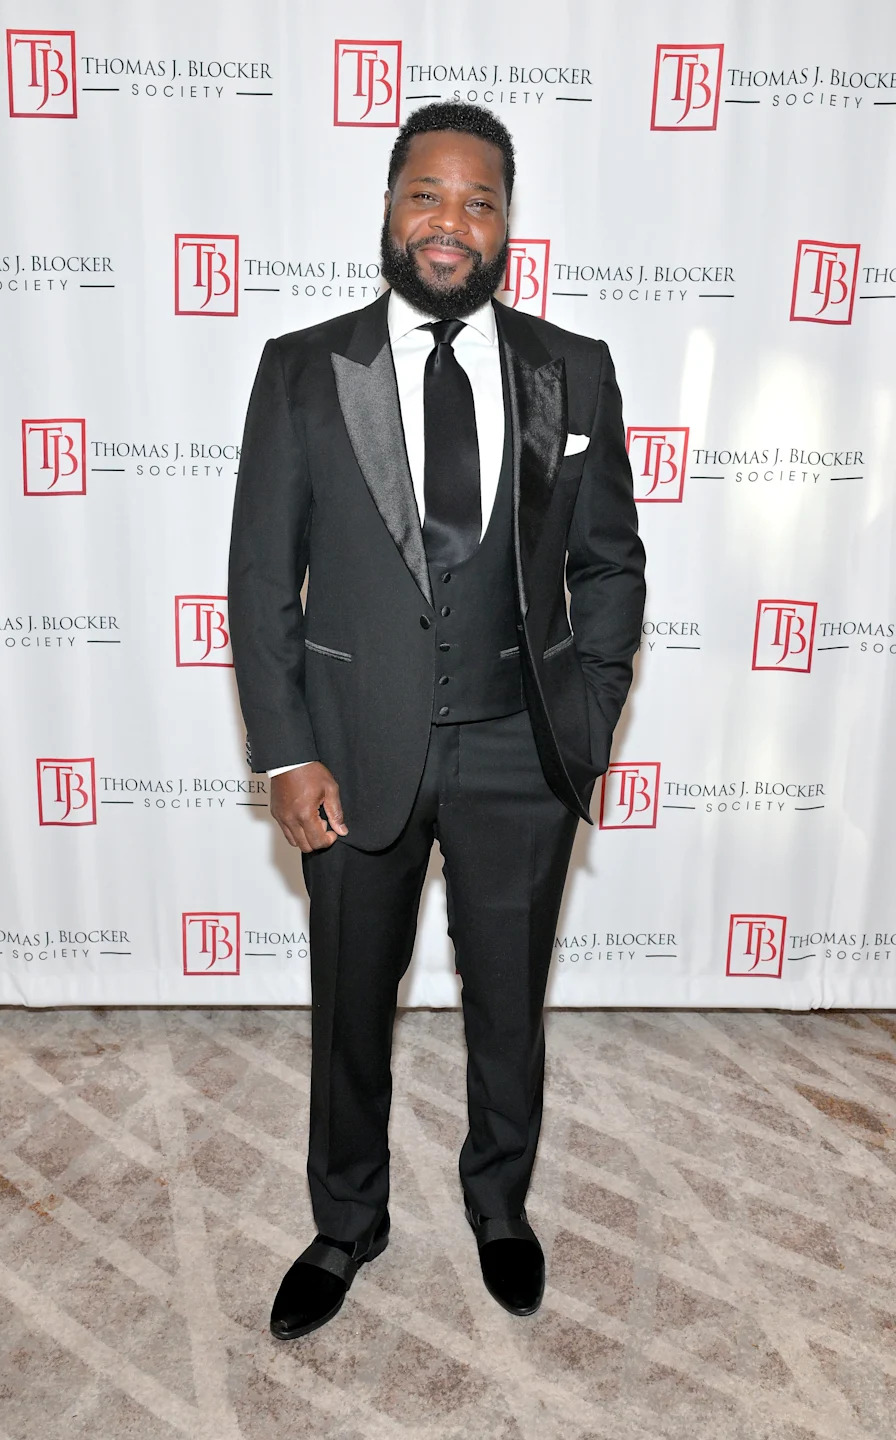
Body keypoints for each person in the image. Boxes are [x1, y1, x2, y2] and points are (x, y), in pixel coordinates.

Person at [228, 102, 645, 1340]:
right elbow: (261, 579)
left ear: (508, 224)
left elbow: (610, 562)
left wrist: (588, 713)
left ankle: (499, 1206)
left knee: (509, 1000)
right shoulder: (305, 368)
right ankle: (346, 1222)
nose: (450, 222)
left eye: (478, 201)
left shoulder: (573, 368)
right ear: (389, 207)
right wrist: (286, 749)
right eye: (427, 195)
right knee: (351, 1004)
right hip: (353, 751)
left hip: (523, 749)